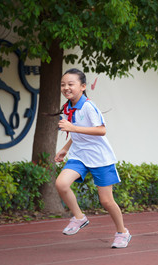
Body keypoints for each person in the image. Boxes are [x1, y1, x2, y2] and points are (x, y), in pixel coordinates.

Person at [54, 68, 131, 249]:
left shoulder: (88, 106)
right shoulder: (67, 108)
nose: (66, 88)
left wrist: (73, 128)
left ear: (82, 87)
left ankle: (122, 232)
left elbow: (101, 130)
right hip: (79, 155)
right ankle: (79, 217)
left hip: (100, 157)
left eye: (70, 84)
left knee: (106, 201)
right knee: (61, 184)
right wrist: (65, 149)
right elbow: (77, 132)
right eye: (63, 85)